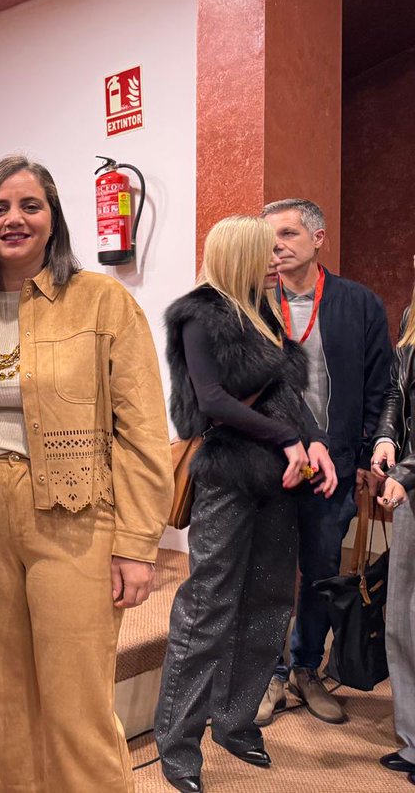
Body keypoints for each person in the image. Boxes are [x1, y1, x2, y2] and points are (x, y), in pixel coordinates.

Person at [0, 155, 172, 792]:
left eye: (30, 206)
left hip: (75, 519)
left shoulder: (103, 301)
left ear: (53, 219)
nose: (14, 219)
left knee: (76, 706)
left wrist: (137, 545)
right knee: (6, 701)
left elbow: (144, 431)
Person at [154, 215, 336, 793]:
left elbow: (288, 395)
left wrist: (314, 444)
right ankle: (177, 743)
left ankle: (234, 723)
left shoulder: (262, 310)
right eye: (268, 246)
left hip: (280, 484)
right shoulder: (198, 313)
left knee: (269, 601)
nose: (277, 253)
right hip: (228, 477)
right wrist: (287, 439)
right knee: (208, 606)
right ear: (240, 252)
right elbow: (210, 403)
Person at [256, 198, 390, 726]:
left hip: (333, 462)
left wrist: (362, 454)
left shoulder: (358, 303)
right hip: (272, 459)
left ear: (319, 240)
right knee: (269, 571)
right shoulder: (256, 304)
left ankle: (307, 668)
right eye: (270, 238)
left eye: (288, 234)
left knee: (320, 570)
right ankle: (268, 673)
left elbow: (380, 385)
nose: (278, 246)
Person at [371, 255, 415, 781]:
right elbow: (395, 390)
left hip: (409, 479)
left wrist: (405, 469)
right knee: (403, 617)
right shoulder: (411, 315)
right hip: (407, 484)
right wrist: (386, 437)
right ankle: (412, 741)